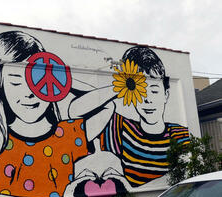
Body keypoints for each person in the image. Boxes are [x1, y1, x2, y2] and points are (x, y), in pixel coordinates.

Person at [0, 31, 88, 197]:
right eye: (16, 81)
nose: (29, 93)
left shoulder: (69, 134)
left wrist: (63, 80)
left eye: (38, 79)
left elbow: (108, 106)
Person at [68, 45, 190, 188]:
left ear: (166, 95)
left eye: (154, 91)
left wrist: (132, 189)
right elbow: (75, 112)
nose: (147, 99)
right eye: (140, 92)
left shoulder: (180, 135)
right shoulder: (120, 129)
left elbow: (186, 174)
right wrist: (120, 87)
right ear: (131, 95)